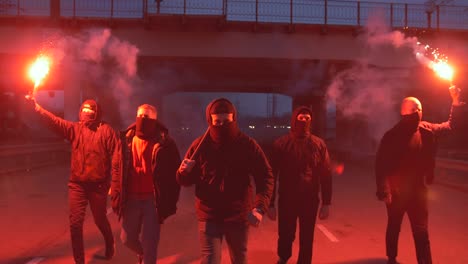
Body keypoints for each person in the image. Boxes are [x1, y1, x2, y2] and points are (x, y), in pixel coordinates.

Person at [176, 98, 274, 264]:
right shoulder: (199, 146)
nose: (222, 126)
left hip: (237, 215)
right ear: (210, 121)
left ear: (234, 119)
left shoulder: (247, 145)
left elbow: (265, 176)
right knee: (210, 261)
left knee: (239, 260)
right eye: (217, 122)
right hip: (209, 215)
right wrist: (182, 172)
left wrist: (259, 207)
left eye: (227, 121)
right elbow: (184, 181)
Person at [25, 96, 120, 264]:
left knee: (100, 219)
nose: (86, 114)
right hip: (77, 185)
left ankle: (109, 241)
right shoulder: (75, 129)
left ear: (97, 114)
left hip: (98, 185)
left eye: (90, 111)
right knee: (75, 224)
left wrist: (115, 184)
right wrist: (38, 109)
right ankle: (79, 261)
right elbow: (55, 122)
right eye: (83, 111)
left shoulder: (107, 131)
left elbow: (117, 158)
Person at [375, 86, 464, 264]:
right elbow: (381, 165)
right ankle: (391, 258)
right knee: (394, 227)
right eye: (420, 110)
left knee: (421, 231)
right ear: (415, 112)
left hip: (418, 191)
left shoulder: (426, 130)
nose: (422, 114)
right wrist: (384, 190)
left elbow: (450, 126)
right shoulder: (392, 136)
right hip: (397, 192)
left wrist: (455, 102)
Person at [111, 104, 181, 264]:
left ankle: (148, 257)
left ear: (155, 120)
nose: (143, 118)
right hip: (131, 198)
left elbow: (175, 174)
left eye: (148, 116)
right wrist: (115, 190)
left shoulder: (166, 143)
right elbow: (116, 167)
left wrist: (170, 199)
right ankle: (143, 254)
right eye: (141, 115)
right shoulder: (126, 140)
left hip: (153, 200)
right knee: (126, 239)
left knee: (151, 243)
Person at [267, 106, 332, 264]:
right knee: (286, 233)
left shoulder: (318, 145)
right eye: (301, 118)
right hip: (287, 199)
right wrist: (270, 204)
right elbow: (271, 175)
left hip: (309, 200)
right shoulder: (281, 144)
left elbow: (326, 175)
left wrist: (326, 203)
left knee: (307, 236)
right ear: (294, 120)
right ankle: (283, 257)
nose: (304, 121)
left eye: (307, 118)